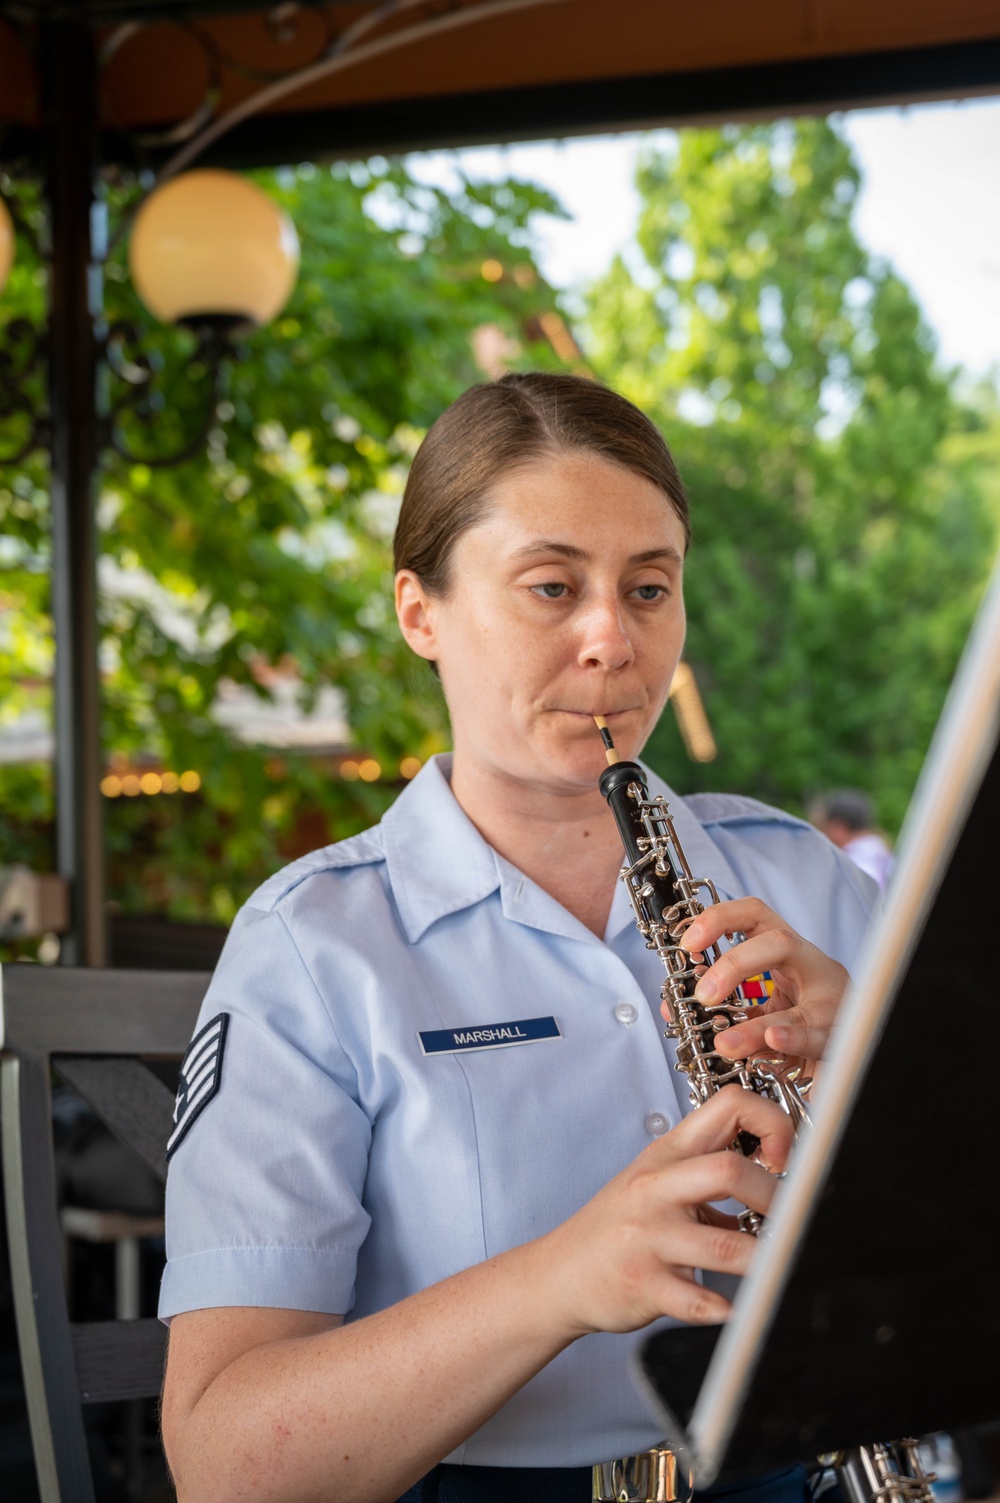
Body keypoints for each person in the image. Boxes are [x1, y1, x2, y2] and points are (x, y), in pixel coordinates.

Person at [158, 373, 879, 1503]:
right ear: (420, 613)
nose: (613, 641)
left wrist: (897, 1072)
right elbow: (222, 1465)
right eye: (551, 586)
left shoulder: (801, 879)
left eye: (650, 589)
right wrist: (564, 1278)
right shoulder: (314, 946)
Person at [808, 789, 894, 892]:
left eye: (823, 828)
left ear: (838, 827)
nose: (821, 835)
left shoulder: (858, 863)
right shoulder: (877, 851)